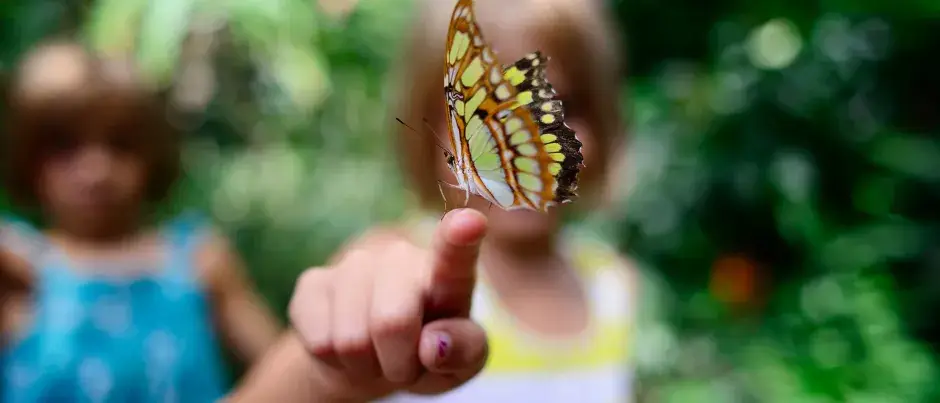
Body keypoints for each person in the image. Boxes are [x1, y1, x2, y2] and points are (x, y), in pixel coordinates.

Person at [232, 0, 638, 401]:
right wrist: (324, 375)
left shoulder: (613, 284)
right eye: (497, 114)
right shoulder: (400, 264)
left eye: (560, 104)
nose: (529, 130)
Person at [0, 40, 281, 402]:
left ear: (152, 155)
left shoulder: (198, 260)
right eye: (65, 148)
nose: (95, 170)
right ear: (30, 160)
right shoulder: (15, 269)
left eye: (120, 145)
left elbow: (282, 366)